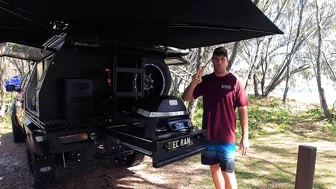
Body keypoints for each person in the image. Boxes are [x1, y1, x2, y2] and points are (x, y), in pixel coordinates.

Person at [182, 47, 249, 189]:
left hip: (227, 137)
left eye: (222, 59)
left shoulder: (235, 81)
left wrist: (245, 137)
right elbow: (186, 97)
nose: (219, 62)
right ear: (212, 60)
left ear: (227, 61)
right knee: (214, 168)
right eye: (216, 59)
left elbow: (243, 109)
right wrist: (194, 82)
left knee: (228, 173)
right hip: (209, 135)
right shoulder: (206, 81)